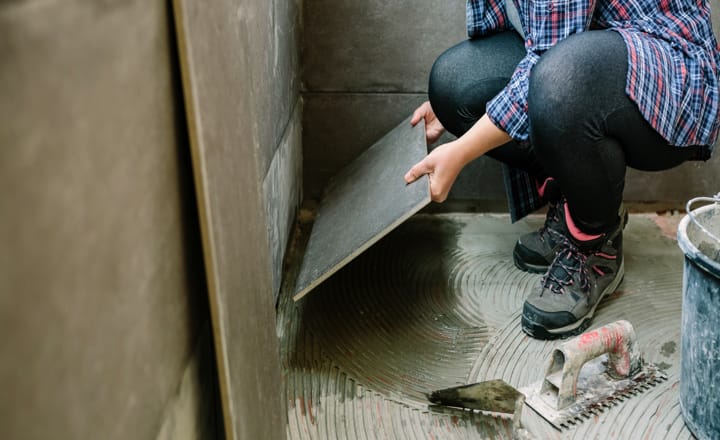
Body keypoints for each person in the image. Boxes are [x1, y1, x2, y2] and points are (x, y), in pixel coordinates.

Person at [404, 0, 720, 339]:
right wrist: (464, 104)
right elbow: (517, 33)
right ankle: (578, 198)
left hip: (671, 72)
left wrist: (461, 150)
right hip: (584, 57)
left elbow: (550, 59)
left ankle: (594, 245)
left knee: (559, 82)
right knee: (456, 83)